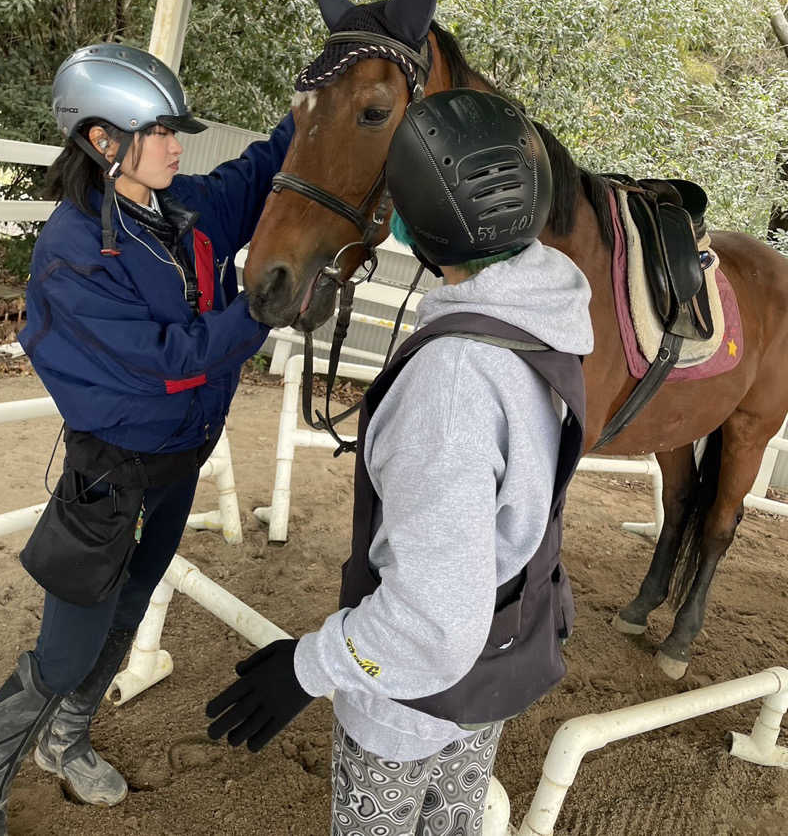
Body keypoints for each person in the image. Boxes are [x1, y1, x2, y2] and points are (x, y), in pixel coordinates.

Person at [206, 88, 594, 836]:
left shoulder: (452, 384)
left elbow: (430, 628)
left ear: (414, 225)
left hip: (409, 706)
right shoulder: (544, 312)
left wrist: (307, 668)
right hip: (490, 672)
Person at [0, 43, 293, 836]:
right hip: (111, 479)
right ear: (103, 140)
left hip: (176, 466)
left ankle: (66, 739)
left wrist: (318, 106)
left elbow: (255, 174)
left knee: (126, 615)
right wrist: (259, 310)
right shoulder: (73, 252)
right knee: (62, 651)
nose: (176, 144)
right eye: (159, 131)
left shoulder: (176, 207)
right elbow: (169, 362)